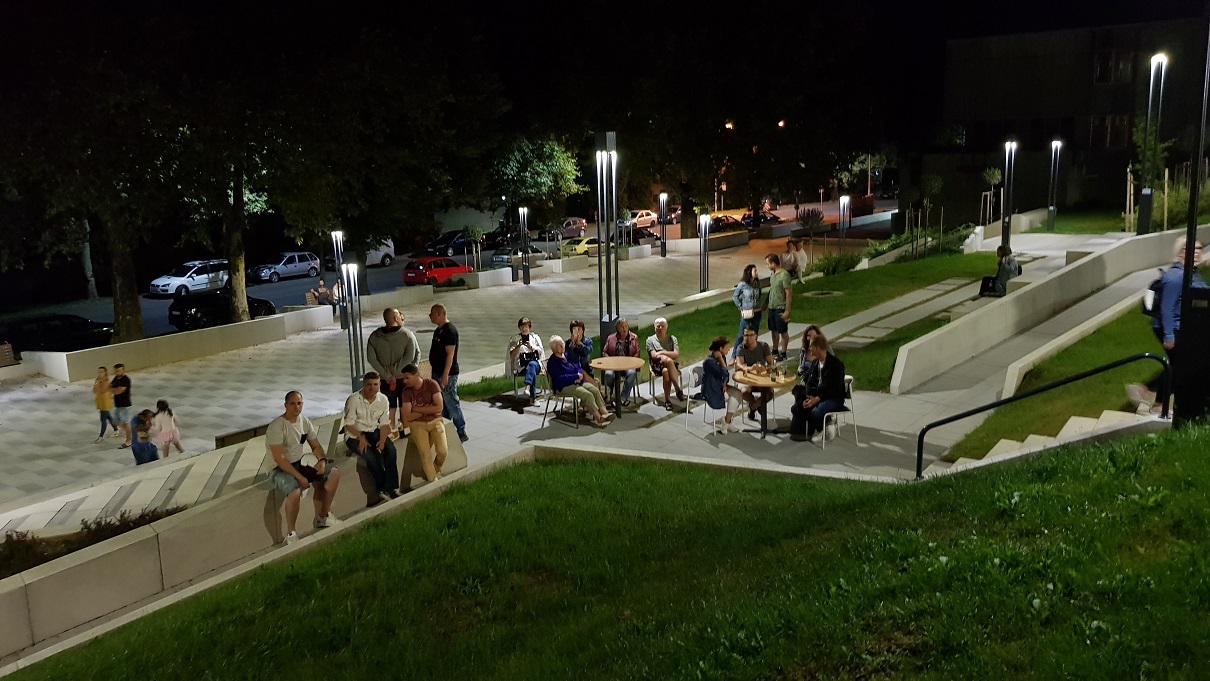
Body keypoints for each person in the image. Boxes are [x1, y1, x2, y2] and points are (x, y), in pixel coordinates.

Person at [1130, 238, 1206, 410]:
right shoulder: (1176, 277)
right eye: (1191, 248)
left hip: (1184, 328)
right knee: (1183, 366)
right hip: (1173, 328)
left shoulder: (1191, 273)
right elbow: (1167, 307)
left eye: (1199, 248)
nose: (1197, 252)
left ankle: (1155, 398)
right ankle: (1149, 393)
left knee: (1179, 366)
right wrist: (1169, 335)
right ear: (1180, 252)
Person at [268, 390, 341, 544]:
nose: (296, 407)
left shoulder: (304, 421)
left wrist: (322, 460)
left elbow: (316, 446)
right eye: (292, 404)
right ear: (285, 405)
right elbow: (279, 459)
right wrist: (300, 477)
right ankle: (291, 533)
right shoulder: (277, 426)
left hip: (298, 464)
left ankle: (323, 516)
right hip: (279, 469)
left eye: (299, 403)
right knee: (294, 492)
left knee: (333, 473)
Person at [343, 371, 399, 502]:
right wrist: (361, 437)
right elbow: (348, 425)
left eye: (375, 384)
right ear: (364, 384)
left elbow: (384, 424)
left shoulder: (383, 399)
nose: (372, 388)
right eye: (369, 385)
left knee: (391, 451)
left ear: (379, 385)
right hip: (354, 435)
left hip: (374, 431)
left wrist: (382, 441)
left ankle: (391, 488)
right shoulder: (354, 400)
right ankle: (382, 489)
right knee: (371, 458)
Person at [366, 307, 421, 436]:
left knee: (389, 405)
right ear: (396, 318)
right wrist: (399, 372)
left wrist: (387, 374)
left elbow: (371, 358)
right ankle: (405, 431)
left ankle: (390, 432)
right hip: (404, 377)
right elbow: (411, 356)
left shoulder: (374, 337)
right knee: (404, 404)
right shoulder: (407, 334)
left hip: (385, 379)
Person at [790, 335, 847, 442]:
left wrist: (817, 399)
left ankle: (824, 429)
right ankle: (824, 425)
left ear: (817, 347)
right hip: (817, 396)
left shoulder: (836, 365)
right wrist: (809, 396)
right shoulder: (815, 363)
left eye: (811, 346)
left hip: (833, 398)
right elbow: (809, 382)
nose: (809, 349)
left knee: (815, 412)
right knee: (797, 407)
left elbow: (835, 390)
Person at [546, 335, 612, 426]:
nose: (563, 346)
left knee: (595, 390)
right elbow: (559, 379)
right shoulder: (552, 362)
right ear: (554, 348)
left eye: (562, 343)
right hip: (563, 386)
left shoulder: (567, 355)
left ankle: (605, 413)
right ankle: (599, 418)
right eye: (559, 345)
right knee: (588, 395)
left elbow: (578, 366)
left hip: (577, 381)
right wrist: (575, 377)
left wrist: (579, 374)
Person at [400, 363, 447, 482]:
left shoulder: (432, 384)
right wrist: (428, 409)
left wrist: (416, 409)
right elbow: (408, 416)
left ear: (417, 375)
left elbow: (439, 407)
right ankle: (433, 481)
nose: (404, 381)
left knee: (442, 451)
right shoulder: (406, 392)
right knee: (425, 454)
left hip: (436, 421)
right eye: (403, 378)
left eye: (407, 378)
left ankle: (435, 468)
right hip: (418, 425)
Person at [429, 303, 468, 442]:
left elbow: (450, 355)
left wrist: (445, 375)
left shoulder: (450, 331)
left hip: (447, 374)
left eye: (432, 313)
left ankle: (461, 431)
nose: (430, 316)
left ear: (439, 314)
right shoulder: (438, 330)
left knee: (451, 401)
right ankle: (445, 428)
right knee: (442, 403)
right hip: (437, 372)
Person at [697, 337, 744, 432]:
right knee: (735, 396)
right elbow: (724, 373)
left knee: (739, 394)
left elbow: (726, 376)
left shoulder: (722, 357)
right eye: (727, 347)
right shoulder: (709, 362)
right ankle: (727, 422)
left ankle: (727, 421)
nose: (729, 350)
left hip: (719, 386)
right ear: (720, 348)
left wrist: (724, 384)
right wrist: (721, 360)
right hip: (711, 390)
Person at [734, 326, 777, 430]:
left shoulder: (763, 346)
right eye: (746, 335)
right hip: (748, 379)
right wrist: (750, 368)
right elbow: (739, 364)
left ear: (756, 336)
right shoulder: (741, 347)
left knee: (769, 393)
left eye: (750, 335)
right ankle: (759, 406)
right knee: (743, 392)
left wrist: (765, 368)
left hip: (762, 378)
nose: (748, 337)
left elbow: (771, 363)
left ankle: (753, 407)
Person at [646, 317, 685, 409]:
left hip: (672, 366)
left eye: (662, 326)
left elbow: (676, 354)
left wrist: (661, 352)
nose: (660, 328)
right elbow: (654, 356)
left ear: (666, 328)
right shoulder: (650, 340)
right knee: (667, 360)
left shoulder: (672, 339)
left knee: (666, 371)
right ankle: (677, 388)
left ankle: (667, 401)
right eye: (658, 326)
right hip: (657, 366)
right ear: (654, 328)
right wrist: (665, 356)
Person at [603, 317, 642, 405]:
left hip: (629, 365)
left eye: (626, 326)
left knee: (632, 373)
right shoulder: (611, 338)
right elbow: (604, 352)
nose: (624, 329)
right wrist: (610, 361)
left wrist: (631, 362)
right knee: (608, 374)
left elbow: (637, 352)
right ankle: (614, 391)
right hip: (613, 365)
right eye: (622, 327)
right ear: (617, 328)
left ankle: (622, 397)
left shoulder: (634, 337)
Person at [731, 264, 764, 360]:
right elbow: (735, 296)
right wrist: (741, 307)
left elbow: (759, 296)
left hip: (757, 312)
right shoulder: (742, 284)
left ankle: (751, 354)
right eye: (755, 271)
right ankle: (734, 356)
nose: (757, 272)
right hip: (747, 313)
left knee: (754, 334)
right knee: (742, 335)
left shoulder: (757, 283)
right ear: (749, 272)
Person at [508, 317, 545, 402]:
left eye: (526, 327)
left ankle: (527, 387)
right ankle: (533, 398)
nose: (524, 329)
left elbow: (541, 351)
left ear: (529, 327)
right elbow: (511, 356)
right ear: (519, 328)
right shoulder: (515, 339)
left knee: (532, 365)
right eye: (522, 327)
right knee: (531, 369)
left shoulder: (535, 338)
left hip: (536, 364)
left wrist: (531, 347)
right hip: (522, 367)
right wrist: (518, 346)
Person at [765, 254, 794, 361]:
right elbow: (772, 290)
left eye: (768, 264)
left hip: (780, 307)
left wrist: (787, 310)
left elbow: (788, 293)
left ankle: (784, 352)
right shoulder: (772, 274)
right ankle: (775, 350)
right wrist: (765, 304)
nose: (767, 266)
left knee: (783, 331)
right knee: (773, 330)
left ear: (773, 263)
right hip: (771, 307)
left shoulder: (784, 275)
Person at [565, 320, 597, 385]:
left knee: (592, 384)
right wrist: (573, 344)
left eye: (579, 329)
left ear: (583, 330)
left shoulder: (588, 341)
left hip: (586, 369)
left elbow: (587, 352)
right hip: (574, 371)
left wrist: (580, 344)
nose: (577, 332)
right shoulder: (568, 343)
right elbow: (568, 357)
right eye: (574, 329)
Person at [92, 366, 119, 443]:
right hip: (100, 401)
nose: (100, 373)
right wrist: (97, 384)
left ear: (105, 372)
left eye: (102, 372)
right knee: (108, 417)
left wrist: (97, 384)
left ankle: (101, 436)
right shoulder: (98, 380)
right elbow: (94, 390)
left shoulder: (106, 381)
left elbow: (102, 390)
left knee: (103, 419)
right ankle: (116, 430)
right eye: (99, 372)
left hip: (105, 402)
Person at [110, 363, 133, 449]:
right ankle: (129, 431)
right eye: (116, 371)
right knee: (116, 421)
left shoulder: (126, 380)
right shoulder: (116, 378)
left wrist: (113, 390)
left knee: (126, 423)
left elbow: (118, 391)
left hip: (125, 405)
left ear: (123, 370)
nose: (117, 372)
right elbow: (110, 387)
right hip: (118, 405)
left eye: (119, 371)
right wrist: (113, 389)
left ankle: (129, 441)